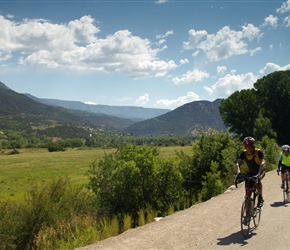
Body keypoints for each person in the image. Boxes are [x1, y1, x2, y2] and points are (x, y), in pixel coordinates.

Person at [236, 136, 266, 209]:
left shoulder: (258, 152)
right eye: (246, 147)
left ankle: (260, 197)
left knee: (257, 181)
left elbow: (262, 163)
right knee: (247, 189)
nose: (248, 149)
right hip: (250, 172)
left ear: (253, 146)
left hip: (260, 171)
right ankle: (248, 208)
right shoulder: (244, 153)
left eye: (250, 147)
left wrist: (258, 174)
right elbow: (238, 163)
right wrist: (238, 173)